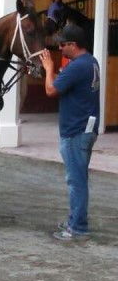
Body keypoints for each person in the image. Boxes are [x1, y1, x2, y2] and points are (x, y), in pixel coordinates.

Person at [40, 24, 100, 241]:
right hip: (85, 129)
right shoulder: (89, 62)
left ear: (73, 45)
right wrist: (50, 72)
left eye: (62, 44)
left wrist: (48, 68)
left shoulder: (77, 66)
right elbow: (63, 83)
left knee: (76, 181)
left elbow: (50, 90)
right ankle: (76, 220)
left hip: (76, 131)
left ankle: (78, 228)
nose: (59, 47)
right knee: (78, 178)